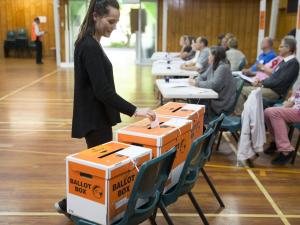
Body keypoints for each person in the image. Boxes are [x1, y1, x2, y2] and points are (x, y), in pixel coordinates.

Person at [54, 0, 156, 217]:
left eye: (116, 22)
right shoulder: (89, 45)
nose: (114, 26)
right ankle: (73, 205)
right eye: (110, 21)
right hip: (94, 119)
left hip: (97, 117)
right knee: (101, 170)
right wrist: (135, 110)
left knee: (101, 168)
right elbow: (102, 91)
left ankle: (75, 205)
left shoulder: (91, 42)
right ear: (95, 16)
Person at [235, 36, 300, 114]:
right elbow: (273, 77)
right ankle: (246, 115)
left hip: (275, 92)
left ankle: (239, 118)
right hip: (270, 88)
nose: (279, 49)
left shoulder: (293, 63)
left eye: (281, 46)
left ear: (288, 48)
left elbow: (278, 81)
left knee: (242, 90)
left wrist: (261, 84)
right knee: (240, 84)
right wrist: (261, 82)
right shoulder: (285, 61)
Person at [189, 46, 236, 118]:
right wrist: (195, 80)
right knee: (193, 100)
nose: (208, 57)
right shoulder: (213, 65)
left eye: (210, 55)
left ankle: (202, 124)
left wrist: (196, 83)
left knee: (195, 103)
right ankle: (200, 124)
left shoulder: (223, 67)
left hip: (221, 102)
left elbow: (214, 85)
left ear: (215, 56)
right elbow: (203, 76)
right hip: (214, 98)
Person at [264, 86, 300, 165]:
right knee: (267, 112)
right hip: (295, 109)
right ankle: (275, 142)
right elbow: (296, 96)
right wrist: (284, 106)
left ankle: (286, 150)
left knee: (273, 112)